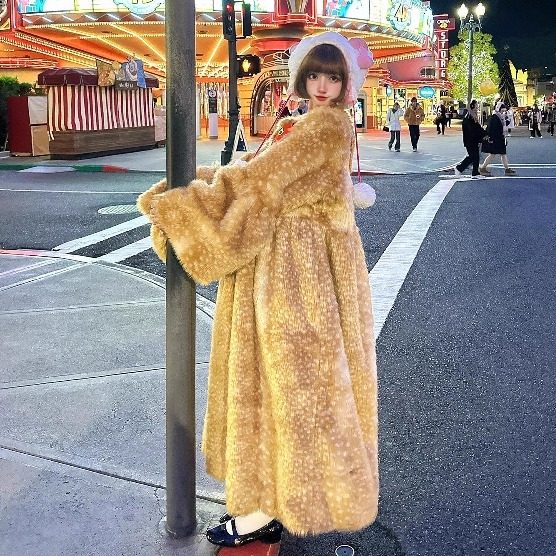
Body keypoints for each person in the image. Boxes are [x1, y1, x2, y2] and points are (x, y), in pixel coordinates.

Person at [137, 31, 379, 547]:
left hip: (298, 273)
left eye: (332, 77)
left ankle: (265, 510)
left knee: (284, 385)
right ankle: (272, 502)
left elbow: (260, 179)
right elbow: (259, 172)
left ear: (345, 85)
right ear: (302, 78)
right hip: (299, 266)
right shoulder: (308, 125)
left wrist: (190, 197)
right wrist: (213, 178)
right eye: (314, 75)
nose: (322, 86)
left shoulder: (326, 126)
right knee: (288, 387)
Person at [479, 102, 516, 176]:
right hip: (496, 139)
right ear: (499, 109)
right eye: (502, 109)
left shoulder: (500, 117)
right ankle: (483, 167)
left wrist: (509, 119)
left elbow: (503, 125)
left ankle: (507, 169)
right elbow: (492, 129)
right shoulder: (495, 117)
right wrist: (491, 138)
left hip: (500, 138)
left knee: (501, 154)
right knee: (494, 154)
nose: (503, 111)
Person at [454, 99, 486, 178]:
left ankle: (475, 172)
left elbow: (477, 128)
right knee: (472, 156)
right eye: (476, 106)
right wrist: (483, 134)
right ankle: (459, 168)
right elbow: (474, 129)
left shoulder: (471, 116)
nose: (477, 108)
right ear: (472, 106)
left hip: (472, 140)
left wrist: (484, 133)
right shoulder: (469, 117)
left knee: (475, 156)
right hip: (470, 140)